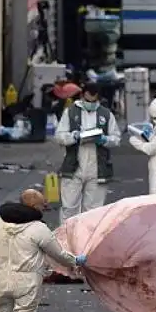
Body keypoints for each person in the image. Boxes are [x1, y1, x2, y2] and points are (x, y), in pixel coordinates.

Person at [55, 82, 122, 222]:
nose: (90, 103)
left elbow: (116, 138)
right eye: (87, 100)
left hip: (97, 168)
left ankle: (88, 241)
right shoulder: (71, 112)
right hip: (73, 167)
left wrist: (104, 140)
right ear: (82, 95)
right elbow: (59, 136)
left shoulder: (106, 114)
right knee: (69, 208)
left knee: (94, 211)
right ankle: (66, 239)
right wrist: (73, 136)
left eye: (93, 100)